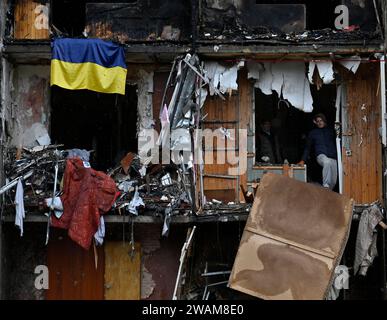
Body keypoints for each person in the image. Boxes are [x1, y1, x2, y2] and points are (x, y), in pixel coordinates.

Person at [298, 113, 337, 189]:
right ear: (315, 122)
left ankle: (329, 191)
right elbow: (307, 148)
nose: (319, 122)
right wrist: (303, 160)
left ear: (324, 121)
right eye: (318, 121)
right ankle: (325, 185)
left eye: (321, 120)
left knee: (333, 181)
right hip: (321, 155)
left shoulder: (331, 131)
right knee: (327, 162)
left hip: (332, 156)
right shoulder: (313, 133)